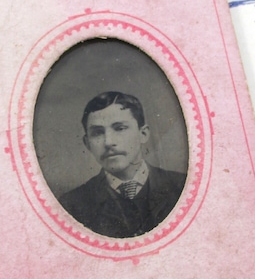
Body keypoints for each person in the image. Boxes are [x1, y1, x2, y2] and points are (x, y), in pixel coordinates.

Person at [59, 91, 186, 238]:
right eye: (97, 133)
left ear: (143, 134)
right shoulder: (71, 205)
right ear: (87, 144)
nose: (108, 142)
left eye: (119, 128)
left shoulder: (182, 186)